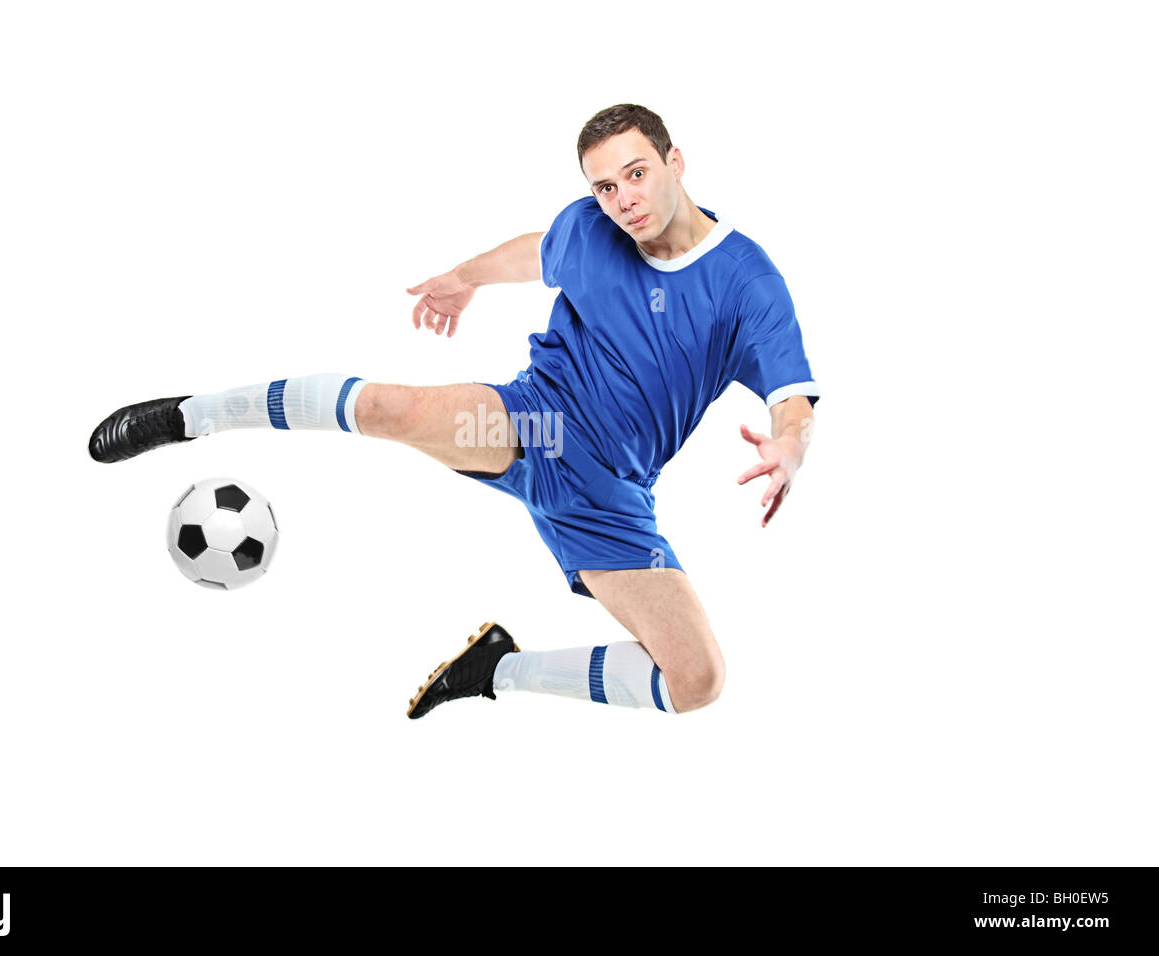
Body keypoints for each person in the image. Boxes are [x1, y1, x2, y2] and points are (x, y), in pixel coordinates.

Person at [87, 103, 820, 720]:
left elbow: (792, 396)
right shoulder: (592, 230)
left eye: (636, 174)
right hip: (539, 424)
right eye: (604, 187)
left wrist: (790, 446)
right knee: (393, 409)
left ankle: (497, 671)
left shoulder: (746, 280)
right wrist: (464, 277)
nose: (623, 199)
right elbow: (538, 253)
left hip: (608, 497)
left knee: (698, 683)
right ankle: (191, 414)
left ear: (675, 161)